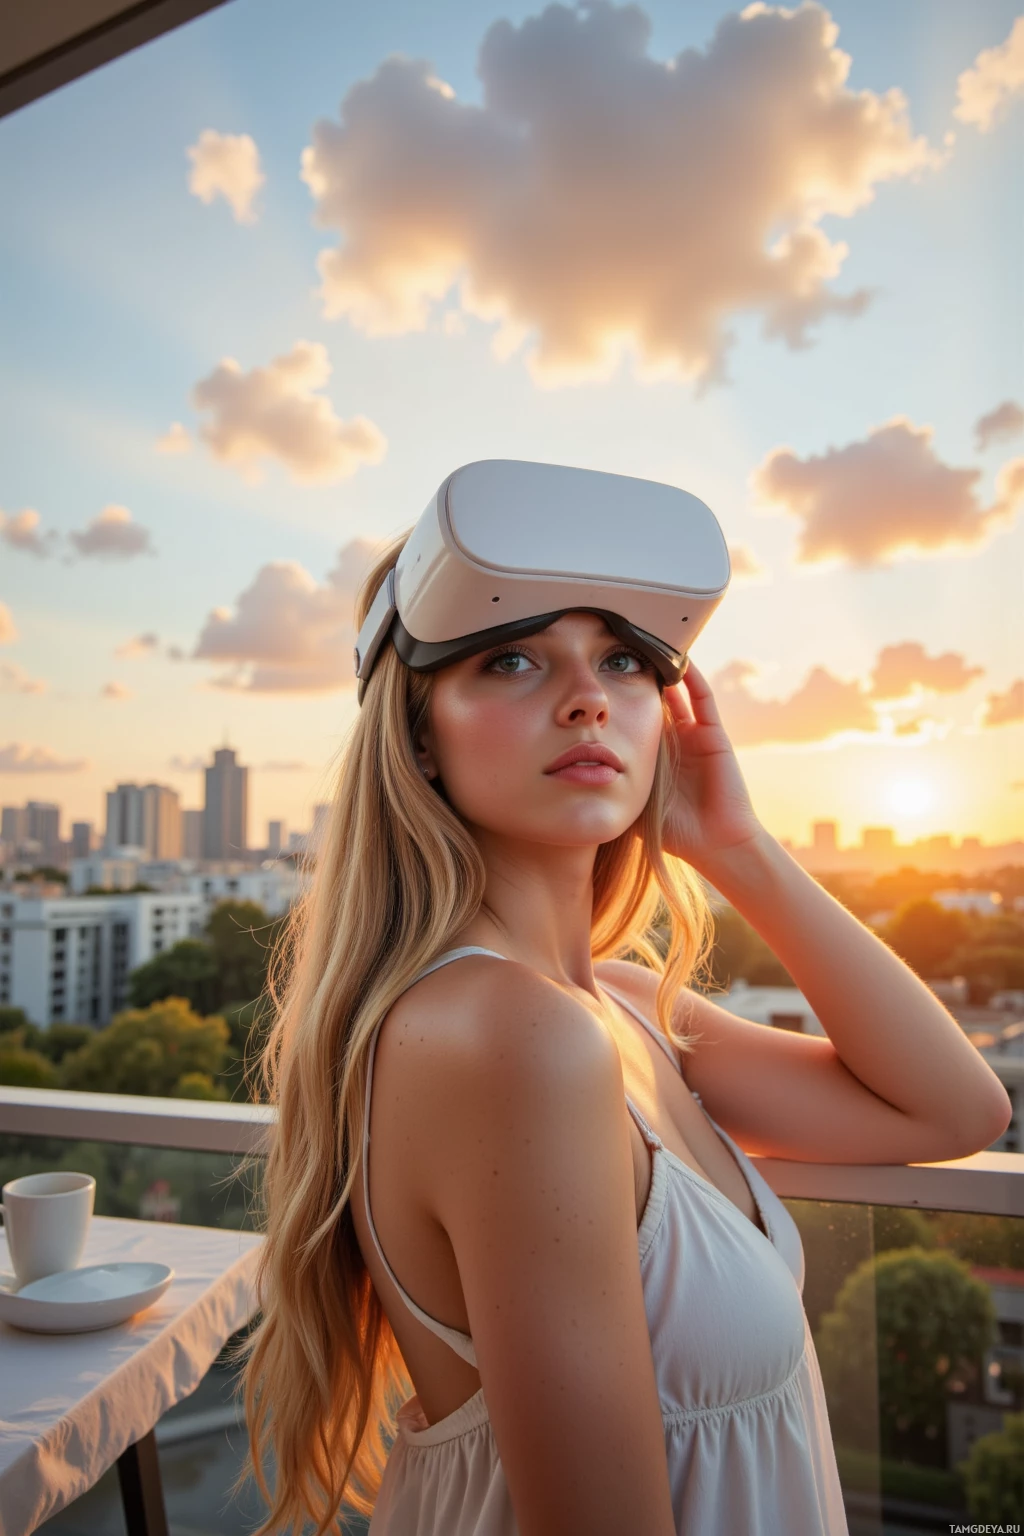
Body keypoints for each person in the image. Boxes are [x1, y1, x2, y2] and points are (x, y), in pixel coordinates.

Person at [233, 462, 1011, 1536]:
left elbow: (957, 1113)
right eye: (511, 658)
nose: (588, 696)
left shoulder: (627, 1007)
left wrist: (735, 846)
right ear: (419, 734)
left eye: (623, 661)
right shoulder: (511, 1036)